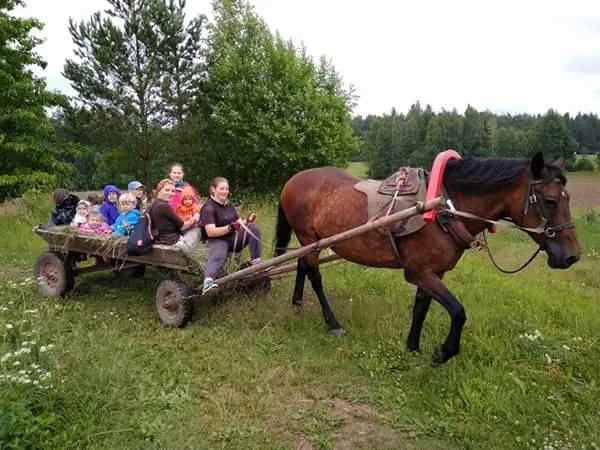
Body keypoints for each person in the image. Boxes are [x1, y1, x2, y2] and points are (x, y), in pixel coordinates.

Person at [199, 177, 262, 294]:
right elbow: (210, 232)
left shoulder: (229, 205)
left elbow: (239, 224)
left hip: (232, 238)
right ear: (213, 190)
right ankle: (208, 282)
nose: (225, 191)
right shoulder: (208, 208)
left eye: (226, 189)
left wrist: (247, 221)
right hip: (216, 240)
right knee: (219, 254)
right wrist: (230, 227)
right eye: (221, 189)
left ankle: (257, 263)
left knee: (254, 228)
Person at [149, 179, 196, 246]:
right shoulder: (164, 206)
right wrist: (193, 220)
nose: (170, 193)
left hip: (158, 237)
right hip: (171, 240)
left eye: (173, 191)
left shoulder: (152, 204)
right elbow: (182, 226)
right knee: (197, 230)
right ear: (159, 191)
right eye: (167, 190)